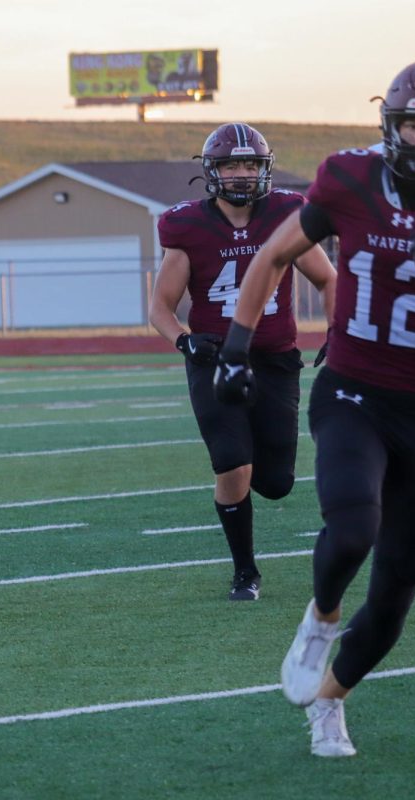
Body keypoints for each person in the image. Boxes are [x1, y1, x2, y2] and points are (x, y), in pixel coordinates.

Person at [215, 57, 415, 758]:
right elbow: (276, 254)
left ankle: (330, 703)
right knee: (351, 528)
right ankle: (318, 617)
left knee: (403, 583)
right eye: (413, 123)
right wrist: (235, 346)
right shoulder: (348, 176)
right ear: (390, 123)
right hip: (356, 390)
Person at [150, 122, 336, 602]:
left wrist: (338, 331)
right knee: (232, 464)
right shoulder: (186, 226)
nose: (240, 173)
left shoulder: (286, 215)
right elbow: (160, 308)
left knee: (275, 484)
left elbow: (329, 280)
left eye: (249, 163)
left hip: (275, 360)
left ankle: (252, 516)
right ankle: (245, 571)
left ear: (264, 169)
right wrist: (185, 342)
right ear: (212, 171)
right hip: (214, 359)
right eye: (231, 164)